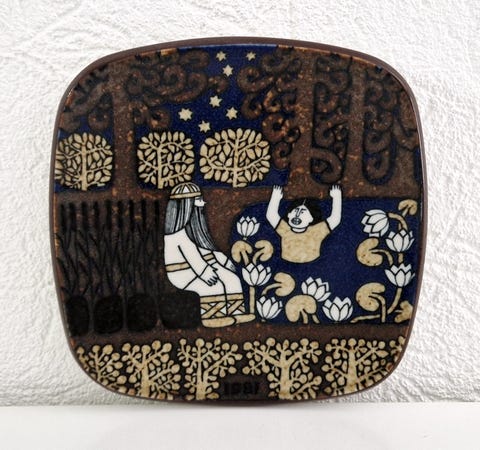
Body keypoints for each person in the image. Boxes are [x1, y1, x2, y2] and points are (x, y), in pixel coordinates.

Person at [164, 182, 255, 328]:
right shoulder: (177, 235)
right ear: (187, 206)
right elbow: (192, 257)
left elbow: (207, 251)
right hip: (183, 273)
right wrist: (205, 273)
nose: (203, 203)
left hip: (203, 267)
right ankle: (212, 316)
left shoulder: (194, 231)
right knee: (213, 287)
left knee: (232, 279)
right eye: (199, 200)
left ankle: (235, 313)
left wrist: (225, 262)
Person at [266, 185, 342, 263]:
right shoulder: (285, 229)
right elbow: (271, 215)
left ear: (311, 218)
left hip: (314, 266)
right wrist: (275, 196)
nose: (297, 215)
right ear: (289, 214)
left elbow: (335, 219)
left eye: (302, 212)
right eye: (296, 211)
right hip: (285, 265)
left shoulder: (316, 231)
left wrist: (337, 196)